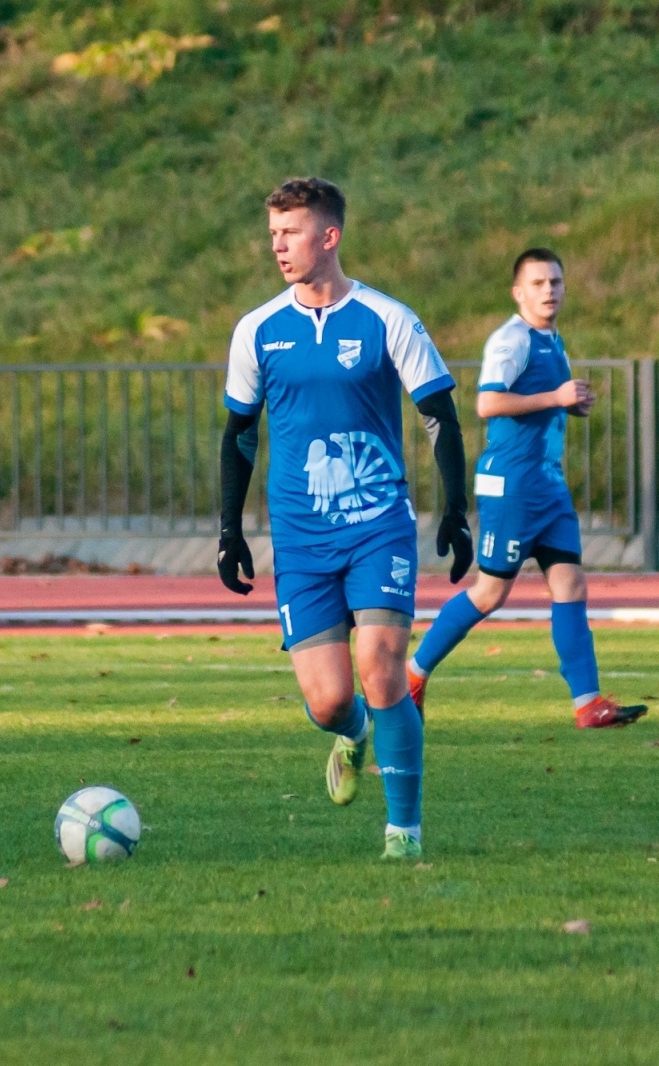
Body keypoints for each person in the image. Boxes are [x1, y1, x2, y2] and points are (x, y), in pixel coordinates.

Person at [217, 177, 472, 861]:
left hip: (377, 525)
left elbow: (439, 416)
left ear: (329, 236)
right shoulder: (258, 330)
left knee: (381, 667)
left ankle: (404, 834)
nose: (278, 246)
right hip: (301, 540)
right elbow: (239, 434)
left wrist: (456, 509)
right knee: (330, 700)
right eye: (273, 234)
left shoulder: (389, 319)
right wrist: (229, 531)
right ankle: (353, 734)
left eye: (291, 232)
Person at [406, 248, 647, 729]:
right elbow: (488, 403)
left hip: (547, 486)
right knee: (490, 593)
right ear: (519, 293)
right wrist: (555, 396)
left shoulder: (553, 340)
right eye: (538, 283)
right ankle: (412, 675)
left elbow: (538, 402)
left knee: (571, 584)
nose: (548, 290)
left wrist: (567, 405)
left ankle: (588, 704)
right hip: (512, 487)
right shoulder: (511, 339)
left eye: (555, 282)